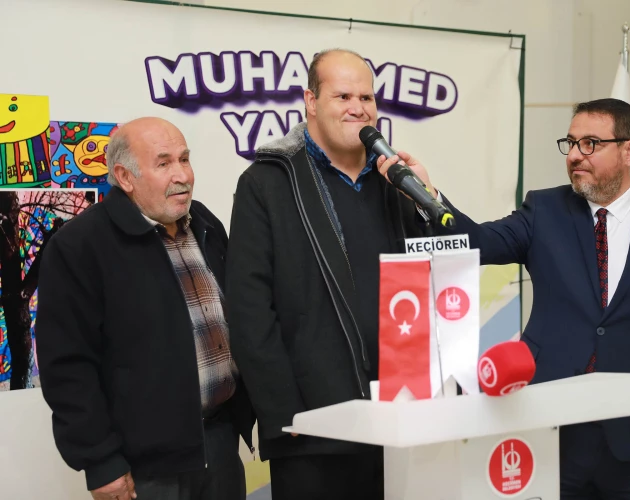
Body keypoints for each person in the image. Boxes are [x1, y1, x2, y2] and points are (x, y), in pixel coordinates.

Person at [376, 98, 630, 499]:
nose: (576, 155)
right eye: (571, 143)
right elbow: (479, 242)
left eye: (591, 144)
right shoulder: (544, 209)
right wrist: (427, 194)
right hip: (553, 430)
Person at [226, 48, 428, 499]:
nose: (358, 107)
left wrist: (426, 197)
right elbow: (249, 311)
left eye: (366, 97)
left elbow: (438, 266)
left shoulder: (395, 181)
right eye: (343, 96)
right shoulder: (267, 183)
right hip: (313, 429)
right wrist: (286, 413)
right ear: (311, 102)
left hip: (399, 418)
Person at [35, 117, 255, 500]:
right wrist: (100, 461)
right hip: (144, 467)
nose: (182, 175)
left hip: (220, 443)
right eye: (164, 163)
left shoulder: (205, 223)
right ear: (125, 177)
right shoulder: (79, 246)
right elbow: (67, 367)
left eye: (184, 159)